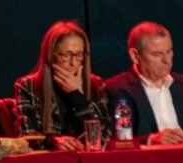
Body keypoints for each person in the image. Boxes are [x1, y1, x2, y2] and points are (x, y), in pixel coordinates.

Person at [14, 21, 111, 151]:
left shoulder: (96, 85)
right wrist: (53, 141)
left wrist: (77, 95)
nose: (73, 62)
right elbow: (26, 137)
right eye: (66, 55)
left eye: (79, 55)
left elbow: (105, 138)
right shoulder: (28, 86)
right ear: (51, 54)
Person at [105, 22, 183, 145]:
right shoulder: (117, 90)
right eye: (157, 54)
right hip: (147, 160)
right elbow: (112, 143)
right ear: (135, 56)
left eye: (169, 51)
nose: (167, 60)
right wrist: (150, 140)